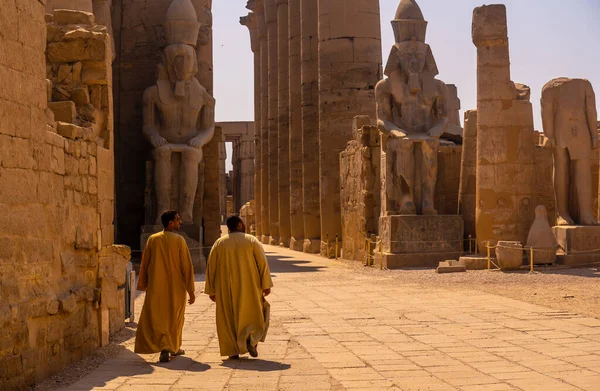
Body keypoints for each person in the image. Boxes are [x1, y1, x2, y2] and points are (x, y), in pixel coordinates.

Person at [205, 215, 273, 359]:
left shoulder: (219, 243)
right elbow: (262, 264)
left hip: (225, 288)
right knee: (253, 315)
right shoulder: (251, 241)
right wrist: (266, 284)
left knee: (228, 318)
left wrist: (211, 290)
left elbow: (211, 267)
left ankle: (232, 350)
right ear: (240, 225)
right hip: (250, 286)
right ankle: (251, 341)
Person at [134, 210, 196, 363]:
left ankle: (166, 346)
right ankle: (170, 346)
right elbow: (186, 267)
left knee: (158, 317)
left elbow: (145, 264)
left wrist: (143, 284)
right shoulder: (179, 240)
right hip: (176, 288)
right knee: (175, 317)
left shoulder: (152, 240)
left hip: (156, 287)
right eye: (178, 220)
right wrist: (191, 290)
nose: (180, 222)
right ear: (170, 223)